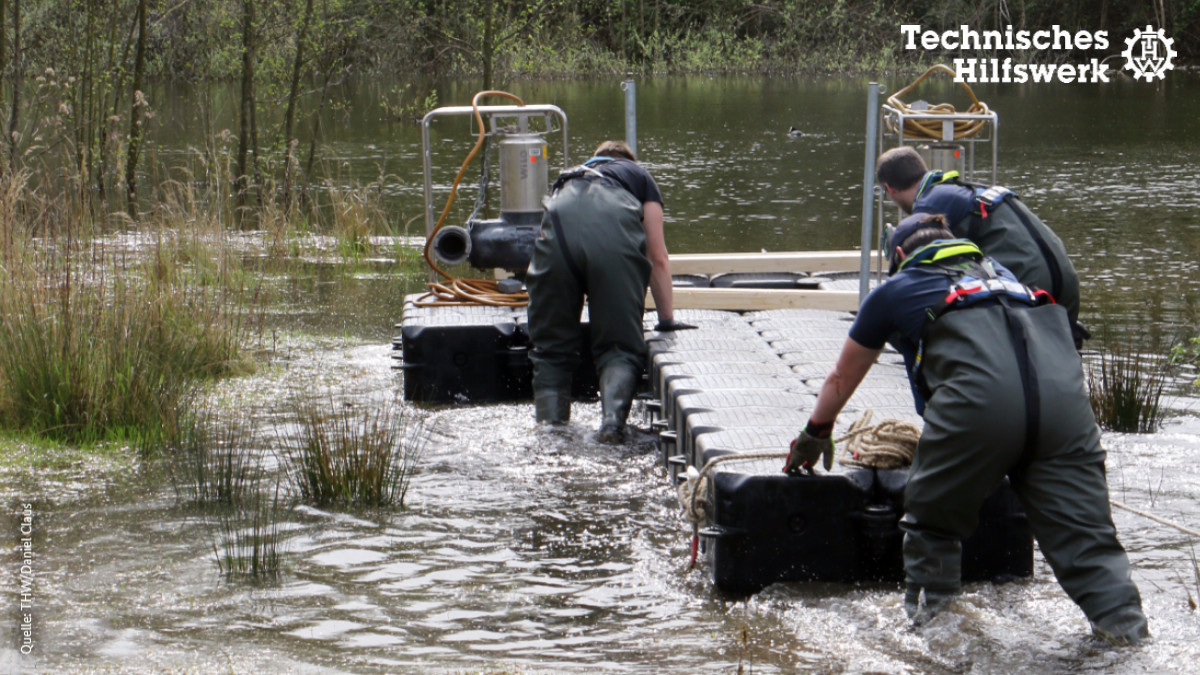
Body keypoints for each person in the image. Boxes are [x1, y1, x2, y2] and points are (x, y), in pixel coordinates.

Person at [785, 214, 1149, 645]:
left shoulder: (894, 290)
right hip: (1065, 409)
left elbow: (840, 379)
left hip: (981, 409)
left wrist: (816, 433)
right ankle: (1129, 642)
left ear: (899, 255)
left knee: (933, 523)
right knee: (1089, 545)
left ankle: (936, 639)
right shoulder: (1009, 277)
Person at [526, 140, 693, 443]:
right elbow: (657, 256)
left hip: (558, 232)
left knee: (551, 350)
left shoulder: (567, 179)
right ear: (627, 160)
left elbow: (544, 233)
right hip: (611, 235)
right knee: (619, 346)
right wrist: (667, 320)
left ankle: (550, 432)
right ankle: (611, 429)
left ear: (597, 157)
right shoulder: (638, 176)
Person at [875, 146, 1087, 345]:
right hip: (1066, 278)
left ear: (889, 189)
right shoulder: (961, 190)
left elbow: (921, 282)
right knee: (1059, 360)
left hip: (1028, 280)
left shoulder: (928, 207)